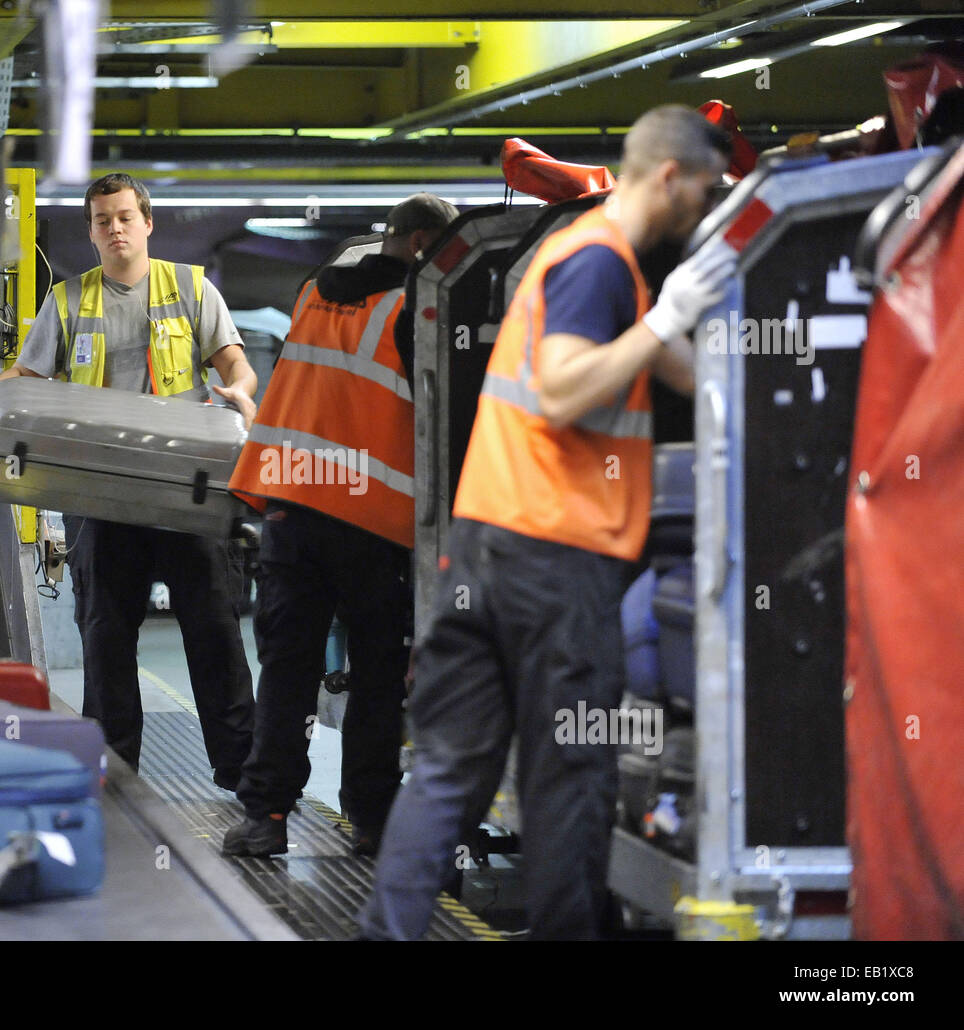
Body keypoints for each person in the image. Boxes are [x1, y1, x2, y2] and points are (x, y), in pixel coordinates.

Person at [358, 105, 735, 939]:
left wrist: (717, 355)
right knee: (569, 780)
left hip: (486, 550)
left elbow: (669, 369)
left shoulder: (585, 263)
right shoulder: (599, 263)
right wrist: (669, 321)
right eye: (706, 191)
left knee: (449, 771)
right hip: (557, 566)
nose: (706, 211)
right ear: (669, 175)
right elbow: (566, 388)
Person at [0, 172, 258, 787]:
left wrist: (241, 391)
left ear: (146, 223)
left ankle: (242, 771)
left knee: (214, 631)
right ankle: (111, 771)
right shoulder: (69, 300)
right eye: (103, 220)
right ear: (91, 230)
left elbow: (233, 361)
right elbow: (32, 374)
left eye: (125, 217)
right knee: (105, 636)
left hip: (185, 489)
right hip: (102, 492)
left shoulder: (191, 288)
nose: (115, 228)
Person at [220, 193, 459, 858]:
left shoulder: (312, 293)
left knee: (287, 669)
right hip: (371, 518)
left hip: (295, 506)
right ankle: (373, 819)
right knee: (379, 675)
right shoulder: (415, 308)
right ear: (419, 245)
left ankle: (265, 817)